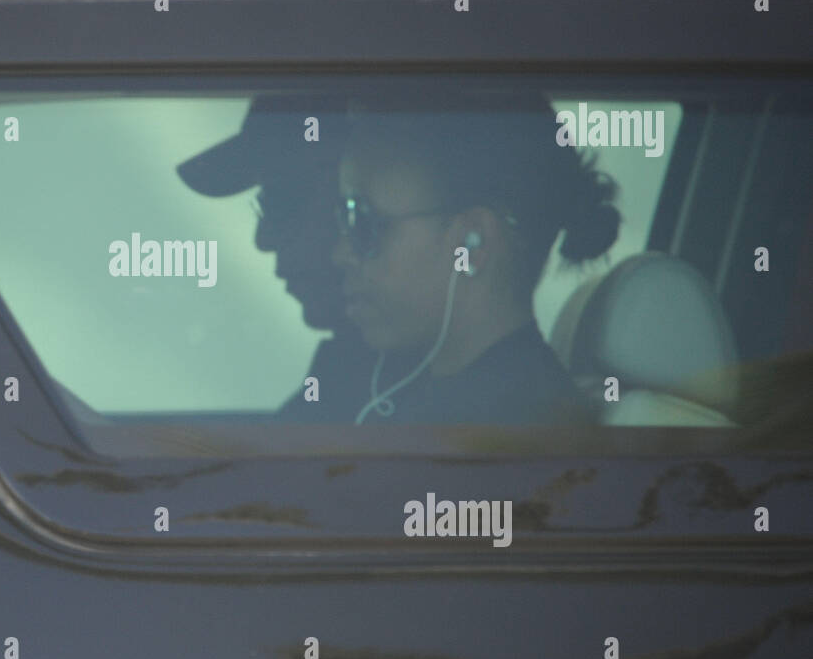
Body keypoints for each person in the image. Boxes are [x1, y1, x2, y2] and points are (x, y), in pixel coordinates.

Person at [334, 93, 621, 425]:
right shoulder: (489, 408)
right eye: (343, 217)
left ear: (473, 243)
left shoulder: (510, 437)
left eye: (363, 222)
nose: (340, 254)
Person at [177, 93, 374, 420]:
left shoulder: (412, 392)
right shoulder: (351, 371)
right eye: (266, 206)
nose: (263, 240)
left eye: (282, 201)